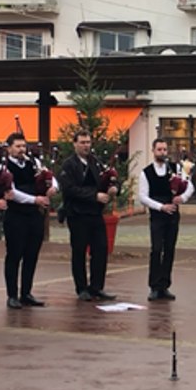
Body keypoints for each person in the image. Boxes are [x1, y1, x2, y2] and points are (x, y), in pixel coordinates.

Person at [58, 129, 117, 302]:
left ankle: (97, 287)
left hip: (95, 214)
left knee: (101, 249)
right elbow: (69, 189)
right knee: (79, 251)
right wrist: (94, 195)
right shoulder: (69, 165)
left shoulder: (95, 162)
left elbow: (108, 178)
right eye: (82, 142)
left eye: (88, 142)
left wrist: (113, 188)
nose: (86, 146)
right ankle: (81, 288)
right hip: (77, 214)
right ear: (75, 144)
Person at [1, 132, 56, 307]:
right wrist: (34, 199)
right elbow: (12, 192)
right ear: (9, 148)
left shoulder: (34, 163)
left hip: (34, 216)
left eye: (23, 146)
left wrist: (53, 188)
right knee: (14, 255)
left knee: (31, 255)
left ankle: (26, 293)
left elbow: (50, 177)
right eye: (17, 146)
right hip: (16, 216)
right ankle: (12, 295)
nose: (21, 149)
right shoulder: (4, 167)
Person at [138, 138, 194, 300]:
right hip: (157, 215)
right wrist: (161, 206)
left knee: (169, 249)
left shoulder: (175, 168)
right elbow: (143, 197)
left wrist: (182, 198)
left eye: (164, 149)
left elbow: (189, 186)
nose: (162, 153)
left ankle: (165, 285)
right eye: (159, 150)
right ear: (153, 151)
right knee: (156, 249)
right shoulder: (146, 172)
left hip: (173, 214)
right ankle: (154, 286)